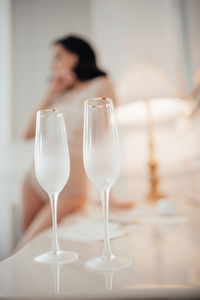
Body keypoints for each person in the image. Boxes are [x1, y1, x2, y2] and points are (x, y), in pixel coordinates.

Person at [17, 35, 119, 249]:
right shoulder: (58, 93)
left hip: (70, 185)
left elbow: (101, 141)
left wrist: (109, 192)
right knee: (26, 250)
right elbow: (26, 134)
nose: (52, 64)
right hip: (34, 179)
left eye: (58, 56)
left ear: (76, 56)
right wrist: (50, 93)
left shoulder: (101, 85)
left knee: (28, 245)